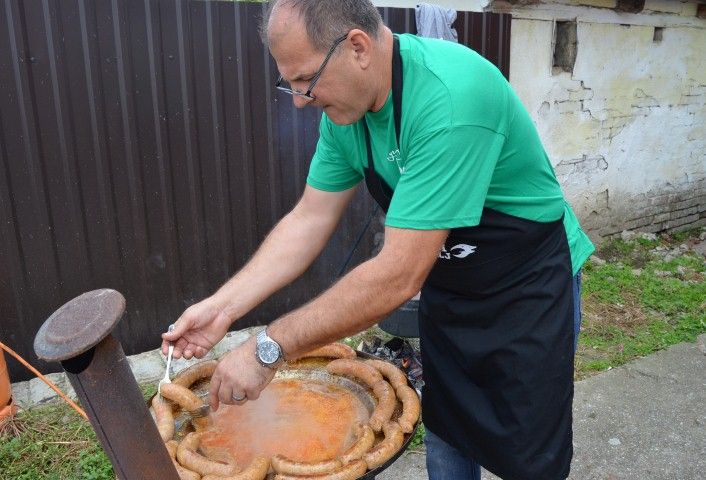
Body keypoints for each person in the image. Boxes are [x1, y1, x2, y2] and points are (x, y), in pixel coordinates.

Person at [162, 1, 595, 479]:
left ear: (358, 48)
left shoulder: (452, 98)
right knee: (449, 431)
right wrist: (223, 307)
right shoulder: (345, 115)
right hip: (451, 287)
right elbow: (309, 218)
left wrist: (269, 347)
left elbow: (398, 275)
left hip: (524, 288)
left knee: (529, 456)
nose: (300, 100)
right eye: (291, 84)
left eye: (306, 79)